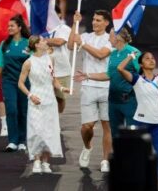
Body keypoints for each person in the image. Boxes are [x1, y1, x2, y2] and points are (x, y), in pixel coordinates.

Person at [117, 51, 158, 191]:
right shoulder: (136, 79)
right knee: (137, 160)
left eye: (153, 58)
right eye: (147, 58)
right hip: (141, 125)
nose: (151, 60)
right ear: (141, 64)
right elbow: (120, 69)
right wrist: (130, 56)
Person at [68, 10, 112, 172]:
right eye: (93, 19)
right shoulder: (85, 36)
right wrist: (74, 24)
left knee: (107, 125)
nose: (95, 22)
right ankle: (87, 147)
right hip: (88, 87)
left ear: (106, 23)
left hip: (107, 86)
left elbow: (101, 55)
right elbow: (69, 45)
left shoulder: (111, 39)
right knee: (87, 126)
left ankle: (105, 160)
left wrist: (82, 44)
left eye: (99, 20)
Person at [76, 28, 140, 138]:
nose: (108, 39)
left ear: (118, 38)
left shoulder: (134, 52)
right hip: (114, 100)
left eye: (110, 36)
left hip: (129, 99)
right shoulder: (113, 54)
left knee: (132, 133)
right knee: (115, 134)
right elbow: (109, 75)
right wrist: (89, 75)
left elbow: (142, 74)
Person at [18, 35, 68, 173]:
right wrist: (30, 95)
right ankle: (37, 161)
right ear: (36, 45)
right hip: (36, 100)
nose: (46, 42)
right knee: (36, 131)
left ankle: (46, 162)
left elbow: (54, 80)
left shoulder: (51, 59)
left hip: (50, 100)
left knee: (50, 131)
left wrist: (63, 88)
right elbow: (20, 83)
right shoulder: (28, 63)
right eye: (43, 41)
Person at [0, 15, 31, 152]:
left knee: (23, 111)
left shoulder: (28, 43)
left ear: (20, 27)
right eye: (8, 26)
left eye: (12, 26)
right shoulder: (4, 44)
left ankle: (21, 140)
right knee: (12, 109)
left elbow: (35, 63)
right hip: (8, 81)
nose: (9, 28)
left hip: (25, 83)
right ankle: (12, 141)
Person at [46, 24, 72, 113]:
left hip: (61, 70)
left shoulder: (64, 28)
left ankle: (56, 118)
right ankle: (50, 120)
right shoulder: (38, 26)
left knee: (60, 98)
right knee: (46, 97)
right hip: (43, 68)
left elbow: (59, 42)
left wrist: (40, 40)